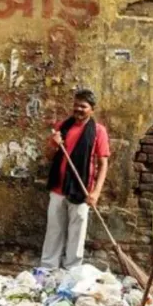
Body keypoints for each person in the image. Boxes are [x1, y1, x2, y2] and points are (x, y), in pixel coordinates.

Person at [40, 89, 111, 270]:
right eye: (76, 105)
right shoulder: (63, 126)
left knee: (76, 235)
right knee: (54, 231)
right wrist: (53, 144)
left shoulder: (98, 131)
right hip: (58, 188)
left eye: (83, 106)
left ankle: (71, 271)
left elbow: (103, 164)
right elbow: (48, 156)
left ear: (92, 110)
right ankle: (48, 268)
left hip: (82, 190)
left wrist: (96, 193)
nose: (78, 109)